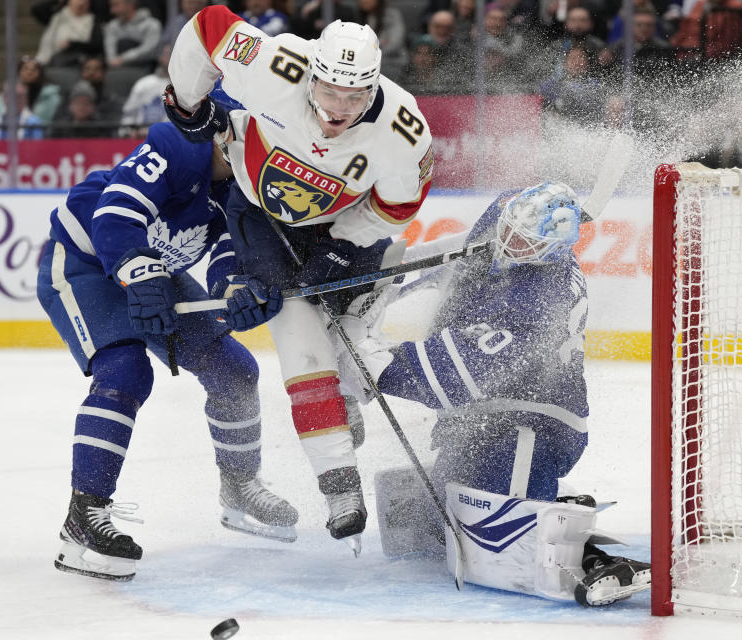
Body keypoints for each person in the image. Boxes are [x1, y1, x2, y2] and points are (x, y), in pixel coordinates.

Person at [164, 6, 434, 549]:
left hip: (342, 224)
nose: (338, 109)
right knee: (297, 333)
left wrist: (343, 245)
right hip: (257, 212)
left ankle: (346, 397)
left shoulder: (404, 129)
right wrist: (187, 99)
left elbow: (400, 205)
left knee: (347, 338)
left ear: (374, 87)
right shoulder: (275, 63)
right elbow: (210, 25)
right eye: (330, 92)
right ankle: (339, 486)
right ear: (311, 71)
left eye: (354, 98)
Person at [332, 183, 651, 606]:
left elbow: (452, 374)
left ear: (549, 251)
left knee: (507, 546)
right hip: (478, 418)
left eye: (525, 243)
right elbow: (481, 240)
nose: (510, 243)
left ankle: (590, 557)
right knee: (430, 533)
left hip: (530, 423)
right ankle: (547, 503)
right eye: (511, 230)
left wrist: (371, 364)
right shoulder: (510, 210)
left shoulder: (537, 300)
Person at [38, 120, 298, 581]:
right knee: (125, 372)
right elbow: (115, 213)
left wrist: (235, 287)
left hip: (151, 269)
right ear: (227, 134)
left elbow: (229, 247)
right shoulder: (178, 145)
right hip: (83, 263)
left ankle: (239, 483)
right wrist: (138, 271)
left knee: (234, 371)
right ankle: (84, 515)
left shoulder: (243, 183)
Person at [34, 0, 103, 67]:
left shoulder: (93, 20)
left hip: (74, 64)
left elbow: (97, 45)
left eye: (85, 2)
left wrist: (73, 44)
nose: (81, 4)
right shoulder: (57, 15)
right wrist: (57, 1)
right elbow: (36, 9)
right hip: (46, 60)